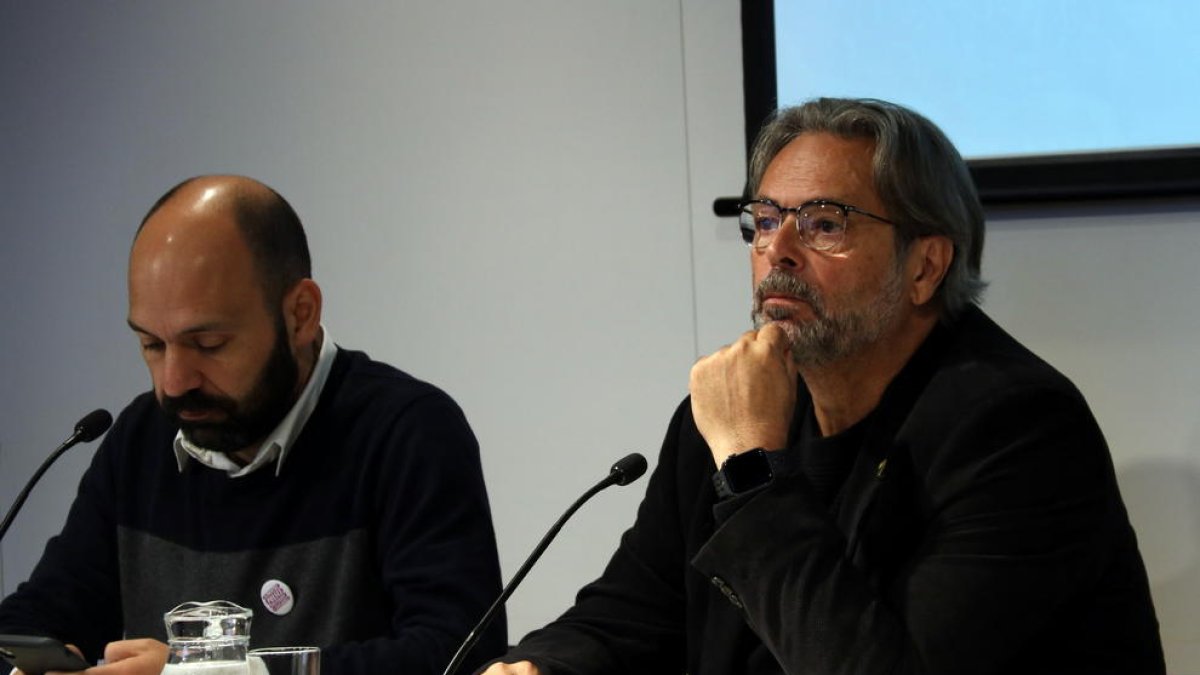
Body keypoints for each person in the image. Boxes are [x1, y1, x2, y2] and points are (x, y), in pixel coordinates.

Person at [484, 98, 1165, 674]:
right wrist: (544, 664)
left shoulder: (1016, 430)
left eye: (823, 223)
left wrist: (754, 468)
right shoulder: (723, 412)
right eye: (767, 219)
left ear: (926, 265)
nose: (778, 250)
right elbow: (632, 612)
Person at [0, 175, 507, 675]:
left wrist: (201, 673)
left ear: (300, 314)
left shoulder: (406, 433)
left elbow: (456, 655)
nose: (174, 383)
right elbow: (44, 616)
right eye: (151, 344)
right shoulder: (140, 438)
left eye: (209, 344)